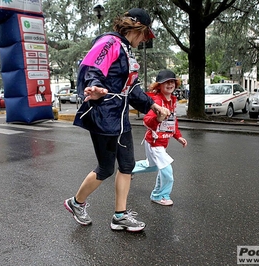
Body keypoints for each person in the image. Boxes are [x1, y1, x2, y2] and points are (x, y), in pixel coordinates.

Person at [63, 8, 170, 232]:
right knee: (105, 168)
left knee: (127, 165)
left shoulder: (127, 52)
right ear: (138, 28)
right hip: (104, 114)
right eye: (145, 35)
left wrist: (153, 105)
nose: (144, 41)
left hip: (119, 116)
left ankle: (119, 216)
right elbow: (92, 67)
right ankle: (76, 202)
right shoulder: (109, 42)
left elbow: (132, 90)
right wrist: (93, 86)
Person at [132, 69, 188, 206]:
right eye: (165, 83)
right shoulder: (156, 101)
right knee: (167, 170)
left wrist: (178, 137)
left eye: (172, 82)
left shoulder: (172, 100)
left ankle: (128, 168)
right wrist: (158, 118)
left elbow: (172, 122)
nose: (170, 85)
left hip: (161, 142)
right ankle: (159, 195)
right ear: (159, 86)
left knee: (152, 166)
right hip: (154, 141)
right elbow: (147, 121)